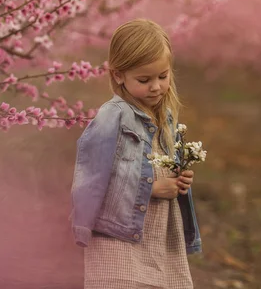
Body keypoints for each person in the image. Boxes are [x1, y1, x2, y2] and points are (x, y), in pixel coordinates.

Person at [70, 18, 202, 289]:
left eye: (163, 77)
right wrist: (150, 188)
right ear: (118, 75)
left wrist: (179, 182)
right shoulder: (113, 116)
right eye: (144, 79)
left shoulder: (165, 119)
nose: (156, 86)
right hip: (119, 235)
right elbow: (92, 176)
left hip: (161, 234)